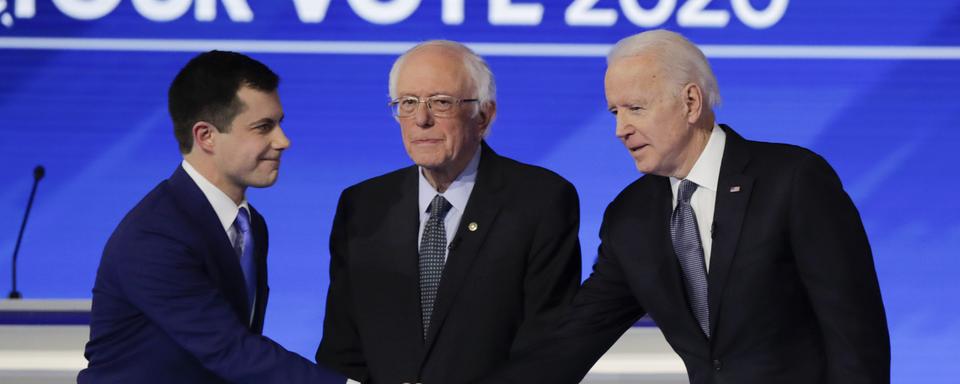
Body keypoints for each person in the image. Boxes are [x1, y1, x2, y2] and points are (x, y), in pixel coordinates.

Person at [483, 29, 890, 384]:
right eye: (614, 112)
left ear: (691, 102)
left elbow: (855, 333)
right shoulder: (631, 216)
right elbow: (573, 339)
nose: (620, 129)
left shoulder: (792, 179)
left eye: (635, 108)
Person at [315, 40, 582, 383]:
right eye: (407, 103)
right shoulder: (363, 205)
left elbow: (546, 349)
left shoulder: (539, 200)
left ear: (483, 116)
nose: (421, 119)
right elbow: (342, 348)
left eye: (441, 102)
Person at [79, 50, 344, 384]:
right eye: (263, 127)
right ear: (206, 136)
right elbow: (230, 351)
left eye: (280, 123)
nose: (283, 141)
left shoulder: (249, 224)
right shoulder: (156, 235)